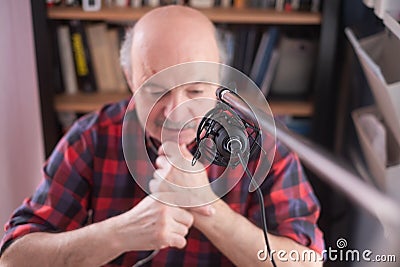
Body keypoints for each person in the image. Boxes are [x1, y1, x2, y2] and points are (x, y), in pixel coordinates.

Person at [0, 5, 324, 267]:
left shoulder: (263, 143)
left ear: (219, 81)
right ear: (129, 78)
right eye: (156, 90)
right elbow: (14, 258)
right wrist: (123, 232)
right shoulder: (91, 138)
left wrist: (207, 209)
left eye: (196, 89)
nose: (175, 112)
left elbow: (306, 263)